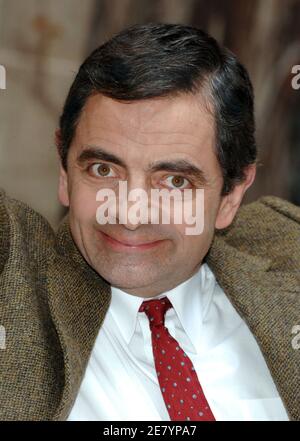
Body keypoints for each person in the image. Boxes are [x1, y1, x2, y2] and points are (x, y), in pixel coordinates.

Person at [0, 23, 299, 422]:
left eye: (174, 181)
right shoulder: (17, 278)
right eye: (103, 169)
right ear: (64, 169)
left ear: (232, 195)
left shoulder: (286, 253)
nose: (130, 213)